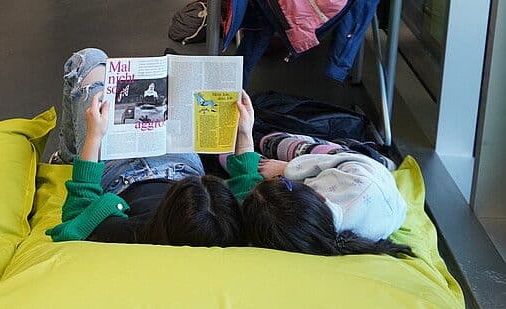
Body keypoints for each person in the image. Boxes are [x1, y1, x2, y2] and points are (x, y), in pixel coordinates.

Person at [46, 48, 244, 247]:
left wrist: (93, 136)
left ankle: (67, 156)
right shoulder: (227, 229)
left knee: (88, 59)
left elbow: (77, 215)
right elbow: (247, 192)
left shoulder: (131, 231)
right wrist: (244, 133)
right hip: (181, 168)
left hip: (121, 175)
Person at [224, 100, 414, 257]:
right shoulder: (342, 188)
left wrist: (246, 139)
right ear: (319, 195)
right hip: (351, 161)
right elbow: (324, 162)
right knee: (272, 141)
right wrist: (286, 169)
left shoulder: (302, 234)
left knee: (231, 156)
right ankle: (381, 158)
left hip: (366, 187)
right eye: (283, 183)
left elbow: (249, 185)